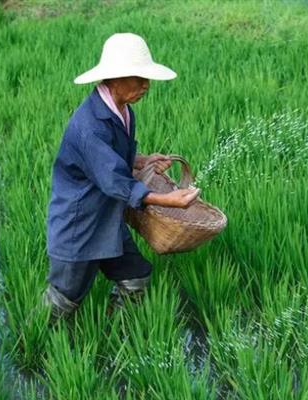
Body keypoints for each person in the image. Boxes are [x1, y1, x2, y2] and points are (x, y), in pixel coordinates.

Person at [44, 33, 200, 320]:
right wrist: (166, 200)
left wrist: (143, 160)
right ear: (114, 79)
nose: (146, 85)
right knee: (64, 300)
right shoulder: (89, 126)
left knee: (136, 277)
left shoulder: (122, 110)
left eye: (146, 78)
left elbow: (110, 159)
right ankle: (39, 348)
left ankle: (116, 335)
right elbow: (113, 179)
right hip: (80, 227)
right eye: (138, 77)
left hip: (107, 219)